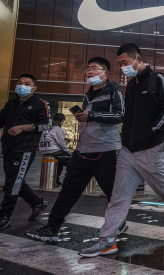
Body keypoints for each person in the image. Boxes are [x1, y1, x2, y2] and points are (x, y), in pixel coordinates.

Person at [79, 43, 164, 257]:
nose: (123, 67)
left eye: (125, 62)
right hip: (128, 151)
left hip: (153, 148)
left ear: (138, 59)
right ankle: (107, 239)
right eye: (120, 64)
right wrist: (126, 138)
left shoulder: (157, 79)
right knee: (119, 196)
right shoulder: (131, 85)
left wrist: (151, 133)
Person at [27, 57, 127, 243]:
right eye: (88, 68)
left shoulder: (114, 91)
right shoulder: (89, 93)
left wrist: (91, 115)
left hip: (105, 151)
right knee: (68, 190)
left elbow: (120, 115)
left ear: (105, 73)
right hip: (82, 150)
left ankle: (119, 223)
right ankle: (51, 228)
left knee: (112, 192)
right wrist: (84, 116)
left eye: (94, 68)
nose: (89, 71)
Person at [0, 74, 51, 230]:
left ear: (34, 88)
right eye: (20, 83)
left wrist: (23, 127)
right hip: (8, 147)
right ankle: (37, 203)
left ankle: (4, 216)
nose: (22, 86)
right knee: (15, 181)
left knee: (11, 184)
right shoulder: (11, 103)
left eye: (27, 84)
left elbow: (46, 125)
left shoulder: (40, 103)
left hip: (25, 149)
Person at [38, 113, 71, 186]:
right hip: (53, 151)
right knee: (72, 162)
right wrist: (69, 153)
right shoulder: (58, 129)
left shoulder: (47, 128)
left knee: (60, 161)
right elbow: (62, 144)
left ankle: (56, 181)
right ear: (62, 121)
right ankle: (69, 182)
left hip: (43, 149)